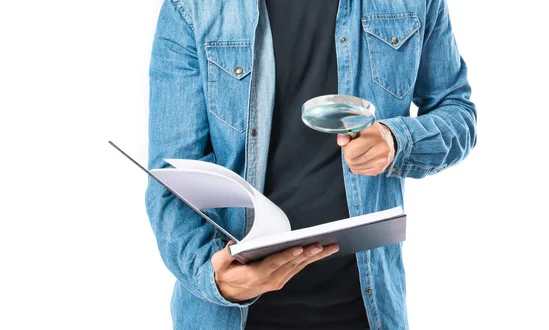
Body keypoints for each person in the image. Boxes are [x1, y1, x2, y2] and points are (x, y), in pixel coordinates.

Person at [146, 0, 477, 329]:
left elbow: (458, 110)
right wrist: (215, 278)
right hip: (234, 316)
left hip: (365, 310)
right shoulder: (193, 7)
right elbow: (172, 179)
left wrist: (396, 140)